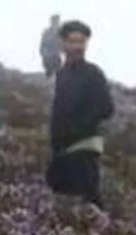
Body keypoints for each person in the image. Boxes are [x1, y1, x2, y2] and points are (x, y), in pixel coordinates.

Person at [48, 20, 114, 208]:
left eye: (81, 42)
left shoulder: (93, 73)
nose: (77, 47)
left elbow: (107, 108)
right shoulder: (61, 74)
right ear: (63, 44)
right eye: (72, 41)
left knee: (88, 202)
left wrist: (78, 129)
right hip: (61, 150)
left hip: (84, 148)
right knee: (62, 202)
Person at [39, 14, 64, 82]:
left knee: (59, 74)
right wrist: (45, 54)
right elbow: (42, 46)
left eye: (57, 21)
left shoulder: (61, 32)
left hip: (57, 57)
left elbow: (64, 45)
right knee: (50, 75)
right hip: (48, 58)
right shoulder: (47, 32)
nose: (56, 23)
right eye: (54, 21)